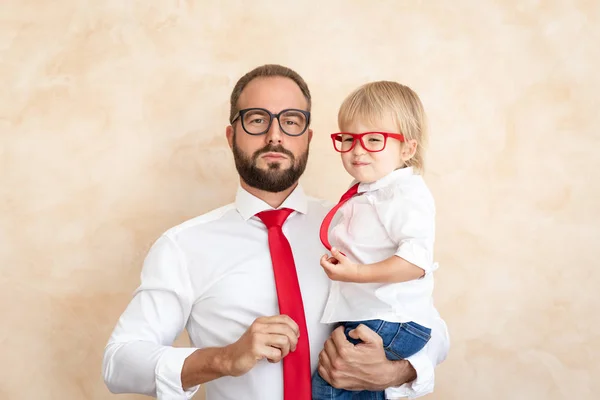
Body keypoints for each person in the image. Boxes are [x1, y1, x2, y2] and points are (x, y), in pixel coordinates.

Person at [102, 64, 449, 400]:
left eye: (291, 121)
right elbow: (119, 361)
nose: (275, 136)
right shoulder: (182, 246)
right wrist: (223, 358)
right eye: (256, 120)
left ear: (308, 138)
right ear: (230, 135)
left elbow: (431, 328)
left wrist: (397, 372)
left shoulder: (354, 223)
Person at [311, 81, 440, 400]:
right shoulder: (373, 193)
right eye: (348, 138)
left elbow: (415, 262)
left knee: (330, 387)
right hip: (377, 315)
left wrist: (355, 273)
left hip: (389, 319)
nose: (357, 150)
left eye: (373, 139)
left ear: (407, 149)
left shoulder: (403, 195)